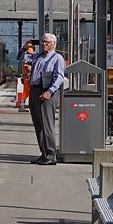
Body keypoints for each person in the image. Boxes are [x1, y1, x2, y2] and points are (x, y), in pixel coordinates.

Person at [22, 33, 66, 165]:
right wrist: (25, 48)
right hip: (35, 91)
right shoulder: (37, 57)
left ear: (53, 44)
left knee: (47, 124)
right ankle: (44, 152)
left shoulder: (57, 58)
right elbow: (22, 58)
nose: (43, 44)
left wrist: (50, 91)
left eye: (46, 42)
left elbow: (59, 77)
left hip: (46, 92)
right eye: (42, 42)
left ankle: (51, 155)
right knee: (38, 124)